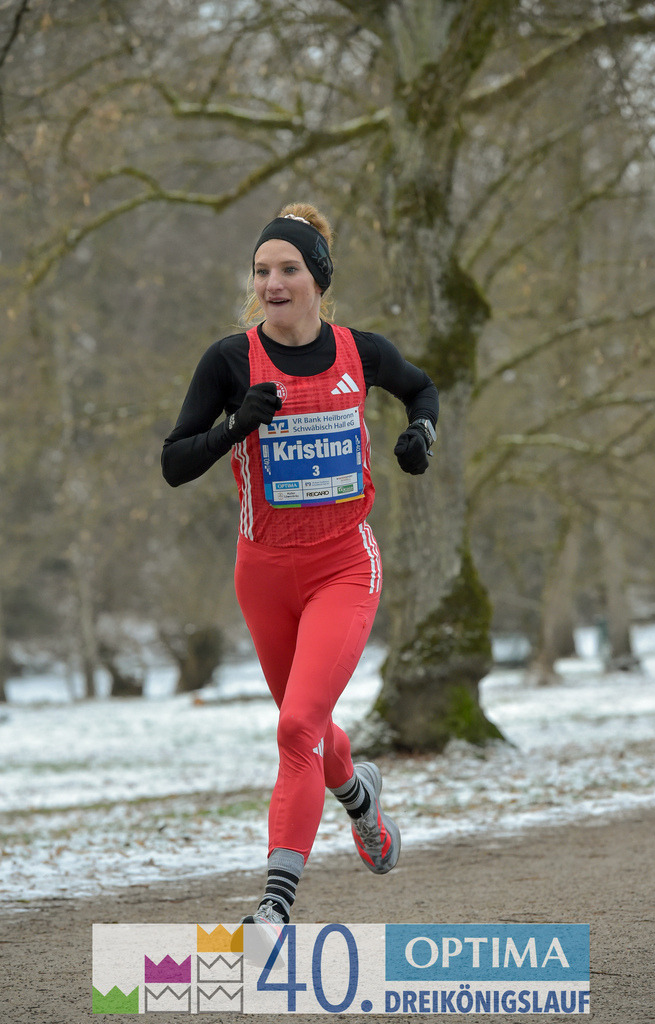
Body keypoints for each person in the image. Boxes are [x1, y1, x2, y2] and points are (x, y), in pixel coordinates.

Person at [161, 202, 438, 930]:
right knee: (304, 726)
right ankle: (360, 799)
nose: (272, 282)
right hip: (264, 575)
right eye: (261, 271)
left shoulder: (360, 352)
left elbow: (422, 388)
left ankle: (274, 906)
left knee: (295, 729)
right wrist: (235, 426)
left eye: (287, 269)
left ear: (317, 278)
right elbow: (173, 463)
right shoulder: (230, 360)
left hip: (345, 566)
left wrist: (421, 433)